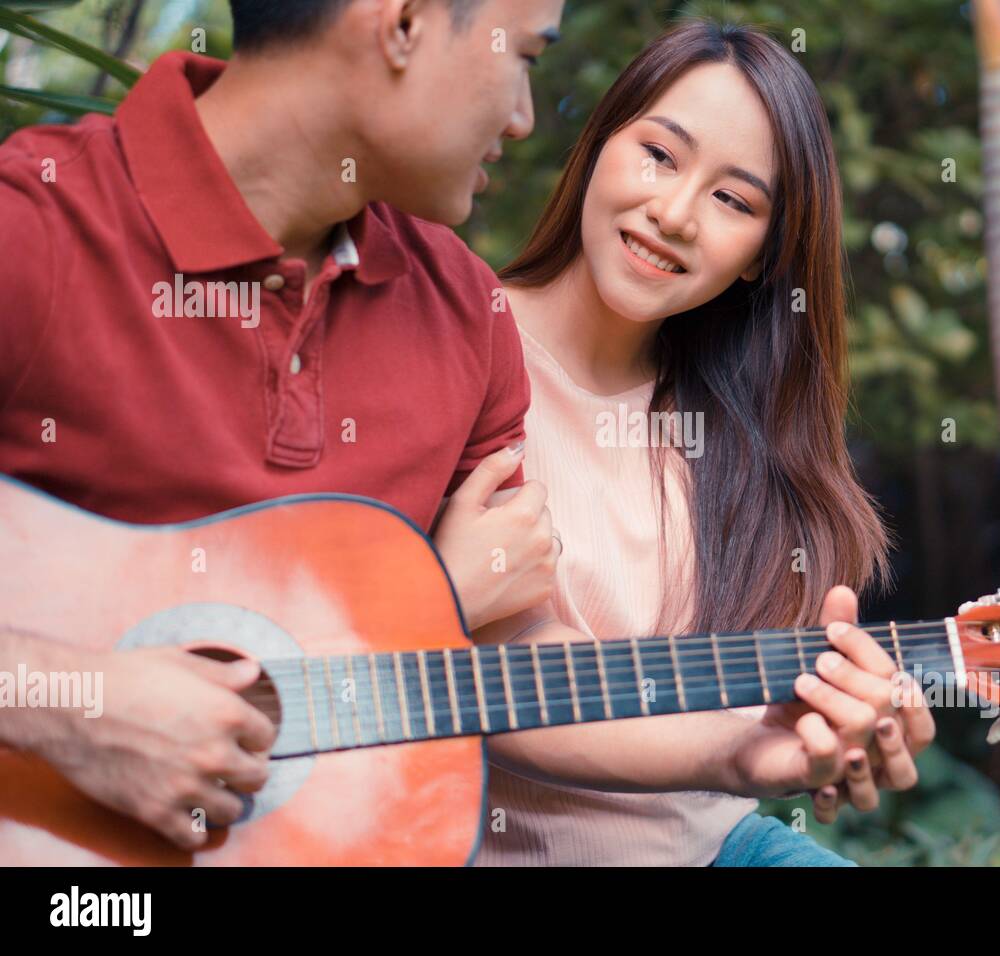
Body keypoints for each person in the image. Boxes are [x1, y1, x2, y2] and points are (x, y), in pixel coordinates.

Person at [0, 1, 909, 859]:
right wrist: (73, 705)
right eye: (524, 57)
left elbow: (511, 656)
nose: (524, 117)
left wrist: (743, 752)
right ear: (401, 25)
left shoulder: (459, 316)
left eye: (734, 201)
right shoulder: (33, 232)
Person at [474, 19, 934, 866]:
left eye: (734, 200)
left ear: (765, 254)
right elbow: (498, 670)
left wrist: (842, 711)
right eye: (658, 153)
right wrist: (735, 752)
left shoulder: (747, 430)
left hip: (720, 846)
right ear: (600, 142)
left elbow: (755, 714)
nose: (674, 214)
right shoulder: (464, 343)